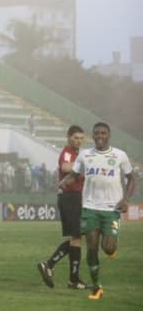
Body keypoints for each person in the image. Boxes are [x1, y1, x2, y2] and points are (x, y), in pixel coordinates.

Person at [59, 122, 135, 300]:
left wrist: (126, 200)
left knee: (108, 248)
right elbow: (75, 174)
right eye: (97, 134)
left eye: (103, 133)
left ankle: (110, 247)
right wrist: (64, 182)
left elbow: (132, 179)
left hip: (111, 209)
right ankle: (97, 287)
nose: (100, 136)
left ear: (109, 135)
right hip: (90, 208)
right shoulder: (85, 155)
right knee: (92, 249)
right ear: (93, 137)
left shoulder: (120, 155)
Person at [37, 125, 87, 290]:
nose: (78, 141)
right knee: (77, 237)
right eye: (75, 138)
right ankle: (50, 266)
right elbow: (66, 167)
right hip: (70, 197)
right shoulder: (67, 151)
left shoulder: (78, 154)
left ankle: (71, 278)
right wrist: (86, 166)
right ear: (69, 138)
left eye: (81, 138)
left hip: (76, 198)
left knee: (77, 238)